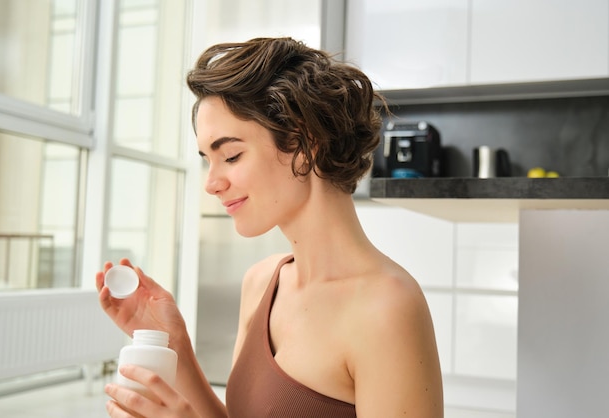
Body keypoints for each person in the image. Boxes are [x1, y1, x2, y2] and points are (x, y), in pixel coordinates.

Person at [96, 37, 443, 417]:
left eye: (230, 155)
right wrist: (176, 347)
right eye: (207, 160)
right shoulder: (262, 282)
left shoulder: (387, 307)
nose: (211, 183)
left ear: (303, 142)